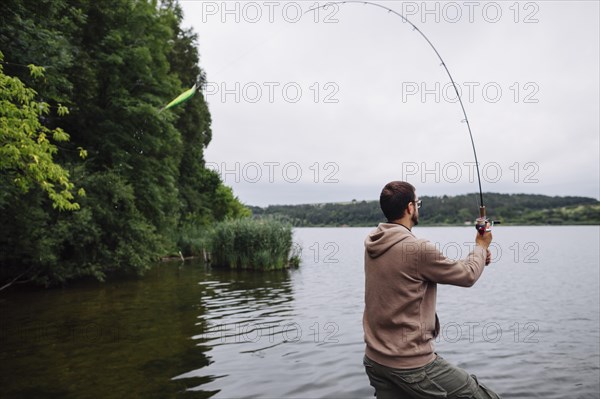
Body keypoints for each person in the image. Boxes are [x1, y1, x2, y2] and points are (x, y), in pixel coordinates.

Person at [363, 181, 501, 398]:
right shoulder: (417, 249)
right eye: (417, 203)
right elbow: (466, 276)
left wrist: (479, 257)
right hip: (411, 364)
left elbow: (430, 268)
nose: (417, 207)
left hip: (375, 361)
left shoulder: (374, 243)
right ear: (410, 208)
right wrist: (481, 246)